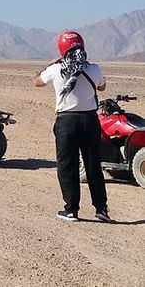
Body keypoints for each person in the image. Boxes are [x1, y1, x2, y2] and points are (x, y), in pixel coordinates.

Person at [34, 31, 111, 223]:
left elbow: (37, 82)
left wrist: (51, 64)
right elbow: (102, 87)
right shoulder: (94, 68)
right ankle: (101, 209)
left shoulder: (55, 69)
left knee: (67, 166)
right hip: (90, 121)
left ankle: (71, 210)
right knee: (93, 166)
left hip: (66, 122)